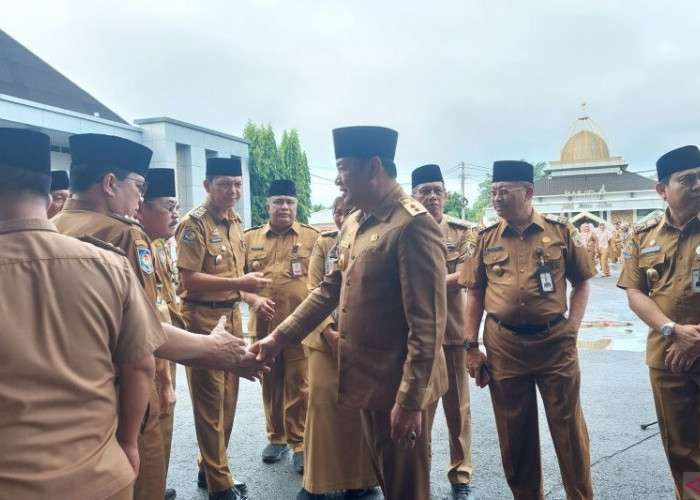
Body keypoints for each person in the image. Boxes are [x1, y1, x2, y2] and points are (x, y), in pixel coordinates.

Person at [53, 134, 265, 500]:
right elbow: (143, 334)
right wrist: (213, 350)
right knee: (143, 481)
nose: (139, 199)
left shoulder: (53, 228)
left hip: (74, 390)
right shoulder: (122, 233)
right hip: (126, 385)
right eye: (138, 186)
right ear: (109, 183)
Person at [250, 126, 448, 500]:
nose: (339, 180)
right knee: (387, 478)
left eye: (343, 168)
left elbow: (429, 325)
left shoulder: (413, 225)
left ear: (374, 167)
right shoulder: (357, 220)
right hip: (368, 381)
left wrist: (409, 400)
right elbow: (330, 288)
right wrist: (279, 337)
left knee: (407, 489)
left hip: (400, 386)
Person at [0, 127, 160, 499]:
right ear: (45, 191)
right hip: (101, 476)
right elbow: (141, 365)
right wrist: (129, 444)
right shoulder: (109, 265)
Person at [460, 160, 596, 500]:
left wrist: (572, 330)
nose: (497, 198)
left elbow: (582, 283)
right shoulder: (485, 238)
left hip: (554, 343)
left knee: (569, 432)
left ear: (528, 192)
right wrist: (470, 347)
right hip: (504, 345)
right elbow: (474, 293)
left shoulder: (560, 231)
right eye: (493, 192)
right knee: (514, 434)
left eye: (504, 191)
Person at [176, 157, 269, 500]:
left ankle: (209, 467)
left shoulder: (235, 223)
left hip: (230, 317)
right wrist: (240, 282)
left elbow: (237, 282)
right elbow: (188, 280)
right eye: (224, 184)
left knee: (228, 401)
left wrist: (251, 297)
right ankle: (219, 482)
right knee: (209, 403)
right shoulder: (193, 224)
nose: (232, 191)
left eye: (237, 184)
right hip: (201, 320)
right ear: (207, 186)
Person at [617, 145, 700, 499]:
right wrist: (673, 331)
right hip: (670, 358)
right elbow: (635, 292)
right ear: (662, 189)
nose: (698, 185)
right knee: (683, 451)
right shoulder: (642, 235)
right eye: (688, 179)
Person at [297, 195, 378, 500]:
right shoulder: (324, 243)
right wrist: (329, 333)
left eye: (349, 211)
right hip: (323, 340)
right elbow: (314, 289)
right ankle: (317, 483)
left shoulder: (373, 239)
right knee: (322, 407)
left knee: (359, 410)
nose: (342, 217)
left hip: (362, 341)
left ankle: (360, 480)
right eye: (337, 212)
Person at [243, 179, 319, 473]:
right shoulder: (250, 239)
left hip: (300, 325)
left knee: (300, 383)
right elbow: (237, 282)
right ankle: (276, 438)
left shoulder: (312, 238)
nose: (284, 207)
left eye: (290, 201)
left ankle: (299, 441)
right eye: (279, 201)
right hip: (263, 325)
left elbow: (323, 281)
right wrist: (253, 300)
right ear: (268, 206)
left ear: (296, 206)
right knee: (270, 382)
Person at [411, 164, 476, 500]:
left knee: (458, 408)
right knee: (418, 408)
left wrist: (421, 284)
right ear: (413, 195)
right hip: (416, 338)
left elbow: (466, 274)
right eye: (425, 191)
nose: (432, 197)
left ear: (445, 195)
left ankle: (460, 474)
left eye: (438, 190)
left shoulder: (462, 231)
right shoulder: (404, 230)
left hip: (452, 333)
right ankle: (420, 472)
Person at [136, 167, 181, 497]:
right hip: (152, 356)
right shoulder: (135, 243)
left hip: (167, 345)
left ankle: (157, 483)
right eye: (168, 206)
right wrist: (164, 379)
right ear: (142, 207)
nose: (175, 214)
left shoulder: (160, 246)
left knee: (164, 428)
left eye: (177, 207)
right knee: (153, 425)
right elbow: (148, 315)